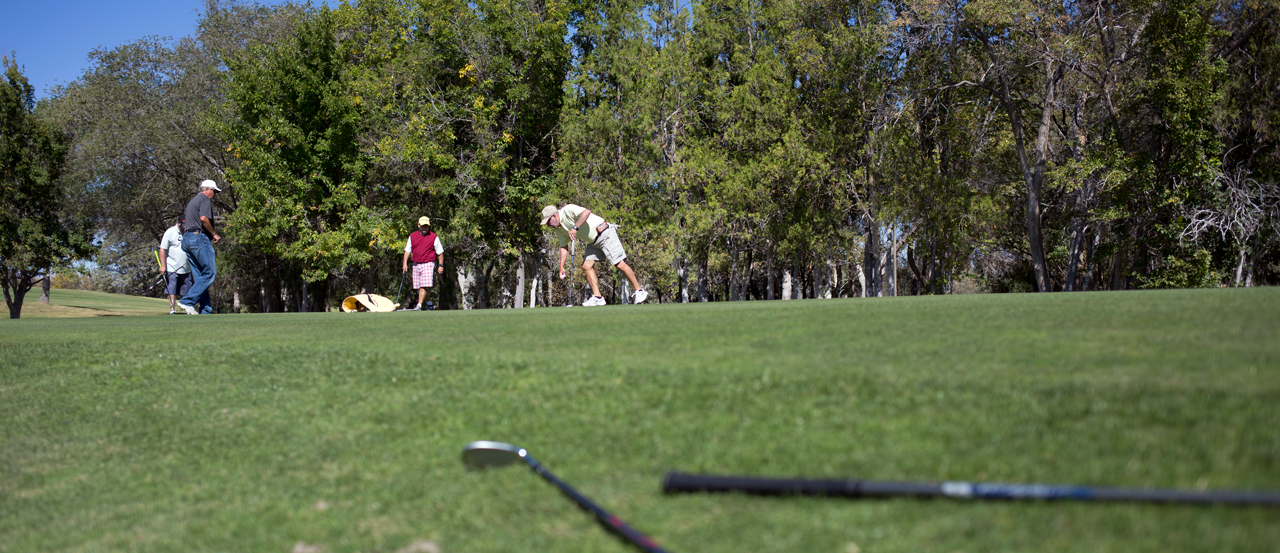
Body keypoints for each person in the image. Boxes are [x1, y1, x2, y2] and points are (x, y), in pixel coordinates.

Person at [541, 204, 647, 306]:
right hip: (594, 242)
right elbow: (563, 246)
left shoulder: (568, 210)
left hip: (604, 232)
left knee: (619, 264)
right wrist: (561, 267)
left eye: (548, 222)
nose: (548, 225)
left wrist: (575, 227)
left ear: (554, 216)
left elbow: (586, 212)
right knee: (586, 266)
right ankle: (598, 298)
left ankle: (640, 291)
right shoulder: (559, 229)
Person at [177, 180, 222, 315]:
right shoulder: (204, 199)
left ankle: (205, 310)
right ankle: (187, 301)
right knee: (210, 272)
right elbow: (203, 218)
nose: (214, 194)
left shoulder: (193, 201)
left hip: (187, 239)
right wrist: (214, 234)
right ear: (207, 189)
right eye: (214, 191)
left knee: (200, 277)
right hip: (199, 238)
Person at [401, 216, 445, 311]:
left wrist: (441, 265)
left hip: (428, 263)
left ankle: (419, 306)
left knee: (423, 286)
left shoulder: (434, 237)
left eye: (426, 226)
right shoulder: (412, 236)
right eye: (423, 225)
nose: (424, 228)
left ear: (429, 226)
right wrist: (404, 264)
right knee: (419, 287)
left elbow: (440, 252)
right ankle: (430, 304)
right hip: (416, 264)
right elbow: (407, 251)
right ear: (418, 225)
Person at [158, 216, 192, 314]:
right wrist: (163, 265)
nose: (183, 228)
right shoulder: (170, 232)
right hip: (172, 266)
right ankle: (172, 309)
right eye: (182, 226)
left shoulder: (189, 232)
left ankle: (188, 309)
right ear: (177, 222)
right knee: (172, 288)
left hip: (186, 267)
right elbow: (162, 249)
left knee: (187, 289)